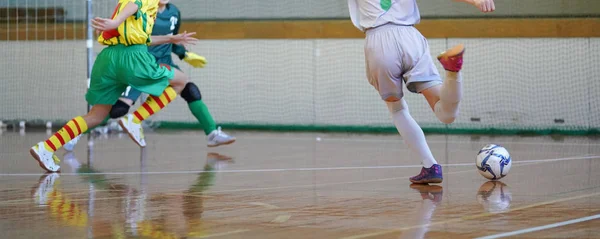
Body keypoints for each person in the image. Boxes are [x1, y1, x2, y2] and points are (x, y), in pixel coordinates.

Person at [30, 0, 197, 172]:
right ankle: (135, 119)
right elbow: (135, 3)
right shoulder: (144, 2)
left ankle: (46, 148)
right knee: (182, 80)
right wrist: (115, 22)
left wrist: (171, 38)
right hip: (133, 58)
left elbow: (142, 36)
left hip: (108, 59)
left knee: (97, 115)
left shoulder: (129, 6)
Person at [347, 0, 495, 183]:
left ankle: (430, 165)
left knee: (397, 110)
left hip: (379, 40)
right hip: (410, 37)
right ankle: (452, 72)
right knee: (446, 114)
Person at [64, 0, 235, 152]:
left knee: (190, 89)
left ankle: (212, 133)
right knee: (118, 108)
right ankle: (77, 132)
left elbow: (173, 40)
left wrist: (185, 54)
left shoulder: (174, 12)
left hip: (165, 62)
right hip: (141, 63)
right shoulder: (143, 8)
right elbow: (131, 34)